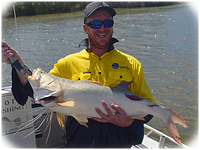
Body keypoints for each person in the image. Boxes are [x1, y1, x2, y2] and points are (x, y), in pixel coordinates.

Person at [2, 2, 156, 148]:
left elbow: (148, 108)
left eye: (107, 23)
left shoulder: (132, 63)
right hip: (81, 142)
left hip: (120, 143)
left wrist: (128, 122)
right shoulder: (67, 63)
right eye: (95, 24)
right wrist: (17, 63)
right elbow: (35, 89)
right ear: (85, 28)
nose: (102, 28)